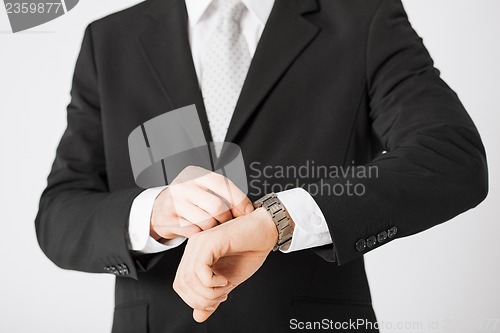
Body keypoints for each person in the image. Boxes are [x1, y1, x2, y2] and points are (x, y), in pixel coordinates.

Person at [35, 0, 488, 332]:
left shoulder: (363, 18)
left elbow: (450, 156)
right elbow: (59, 215)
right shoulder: (109, 39)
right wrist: (155, 212)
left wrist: (280, 219)